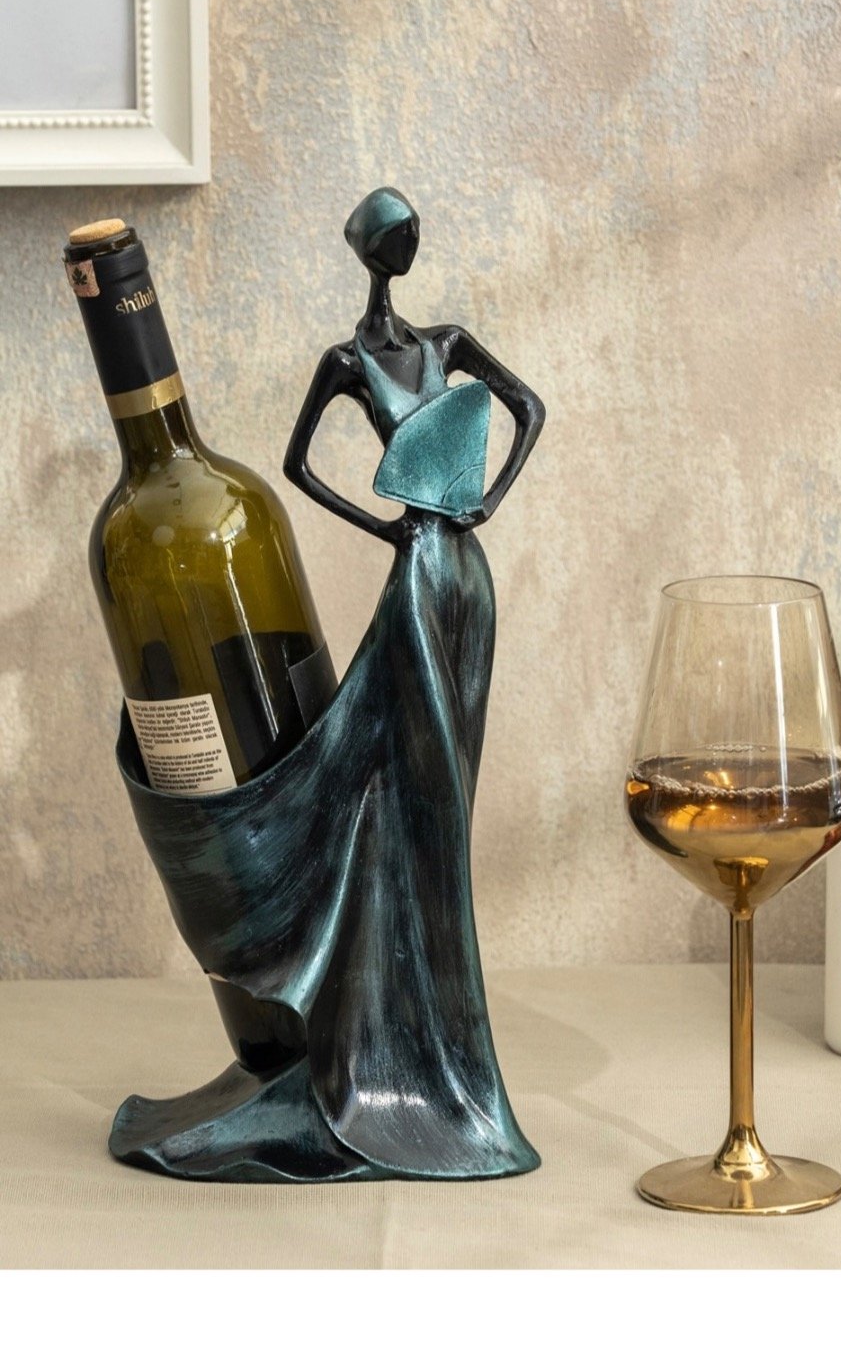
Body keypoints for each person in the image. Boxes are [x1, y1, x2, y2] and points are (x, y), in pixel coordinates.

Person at [110, 189, 544, 1182]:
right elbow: (298, 467)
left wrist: (477, 503)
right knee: (392, 782)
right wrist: (391, 523)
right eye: (393, 236)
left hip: (459, 580)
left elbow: (529, 409)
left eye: (410, 234)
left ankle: (431, 1048)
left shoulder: (447, 339)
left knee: (439, 805)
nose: (405, 246)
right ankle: (384, 1043)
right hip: (418, 568)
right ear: (368, 249)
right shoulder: (348, 361)